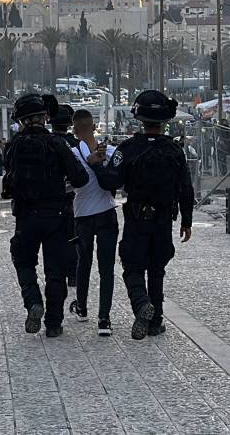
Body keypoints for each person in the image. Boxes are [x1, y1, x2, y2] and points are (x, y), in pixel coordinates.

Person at [91, 90, 194, 340]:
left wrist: (95, 165)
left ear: (139, 118)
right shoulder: (174, 150)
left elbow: (110, 182)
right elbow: (186, 188)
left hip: (137, 218)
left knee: (132, 266)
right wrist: (187, 221)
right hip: (163, 220)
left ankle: (140, 303)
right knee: (157, 269)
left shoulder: (127, 149)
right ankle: (155, 320)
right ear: (164, 121)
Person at [2, 94, 88, 338]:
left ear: (21, 120)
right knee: (56, 272)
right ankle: (54, 323)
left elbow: (9, 181)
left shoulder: (13, 146)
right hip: (56, 216)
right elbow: (80, 177)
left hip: (25, 216)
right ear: (44, 118)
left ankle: (32, 302)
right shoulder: (57, 144)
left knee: (23, 262)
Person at [68, 109, 119, 337]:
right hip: (107, 212)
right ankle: (104, 320)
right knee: (107, 267)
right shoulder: (109, 151)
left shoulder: (71, 154)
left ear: (75, 129)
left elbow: (69, 184)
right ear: (94, 125)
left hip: (82, 215)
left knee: (84, 263)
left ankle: (81, 307)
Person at [49, 104, 80, 288]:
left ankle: (56, 272)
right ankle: (73, 273)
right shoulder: (76, 144)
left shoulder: (47, 142)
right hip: (73, 198)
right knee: (72, 237)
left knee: (53, 238)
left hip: (51, 199)